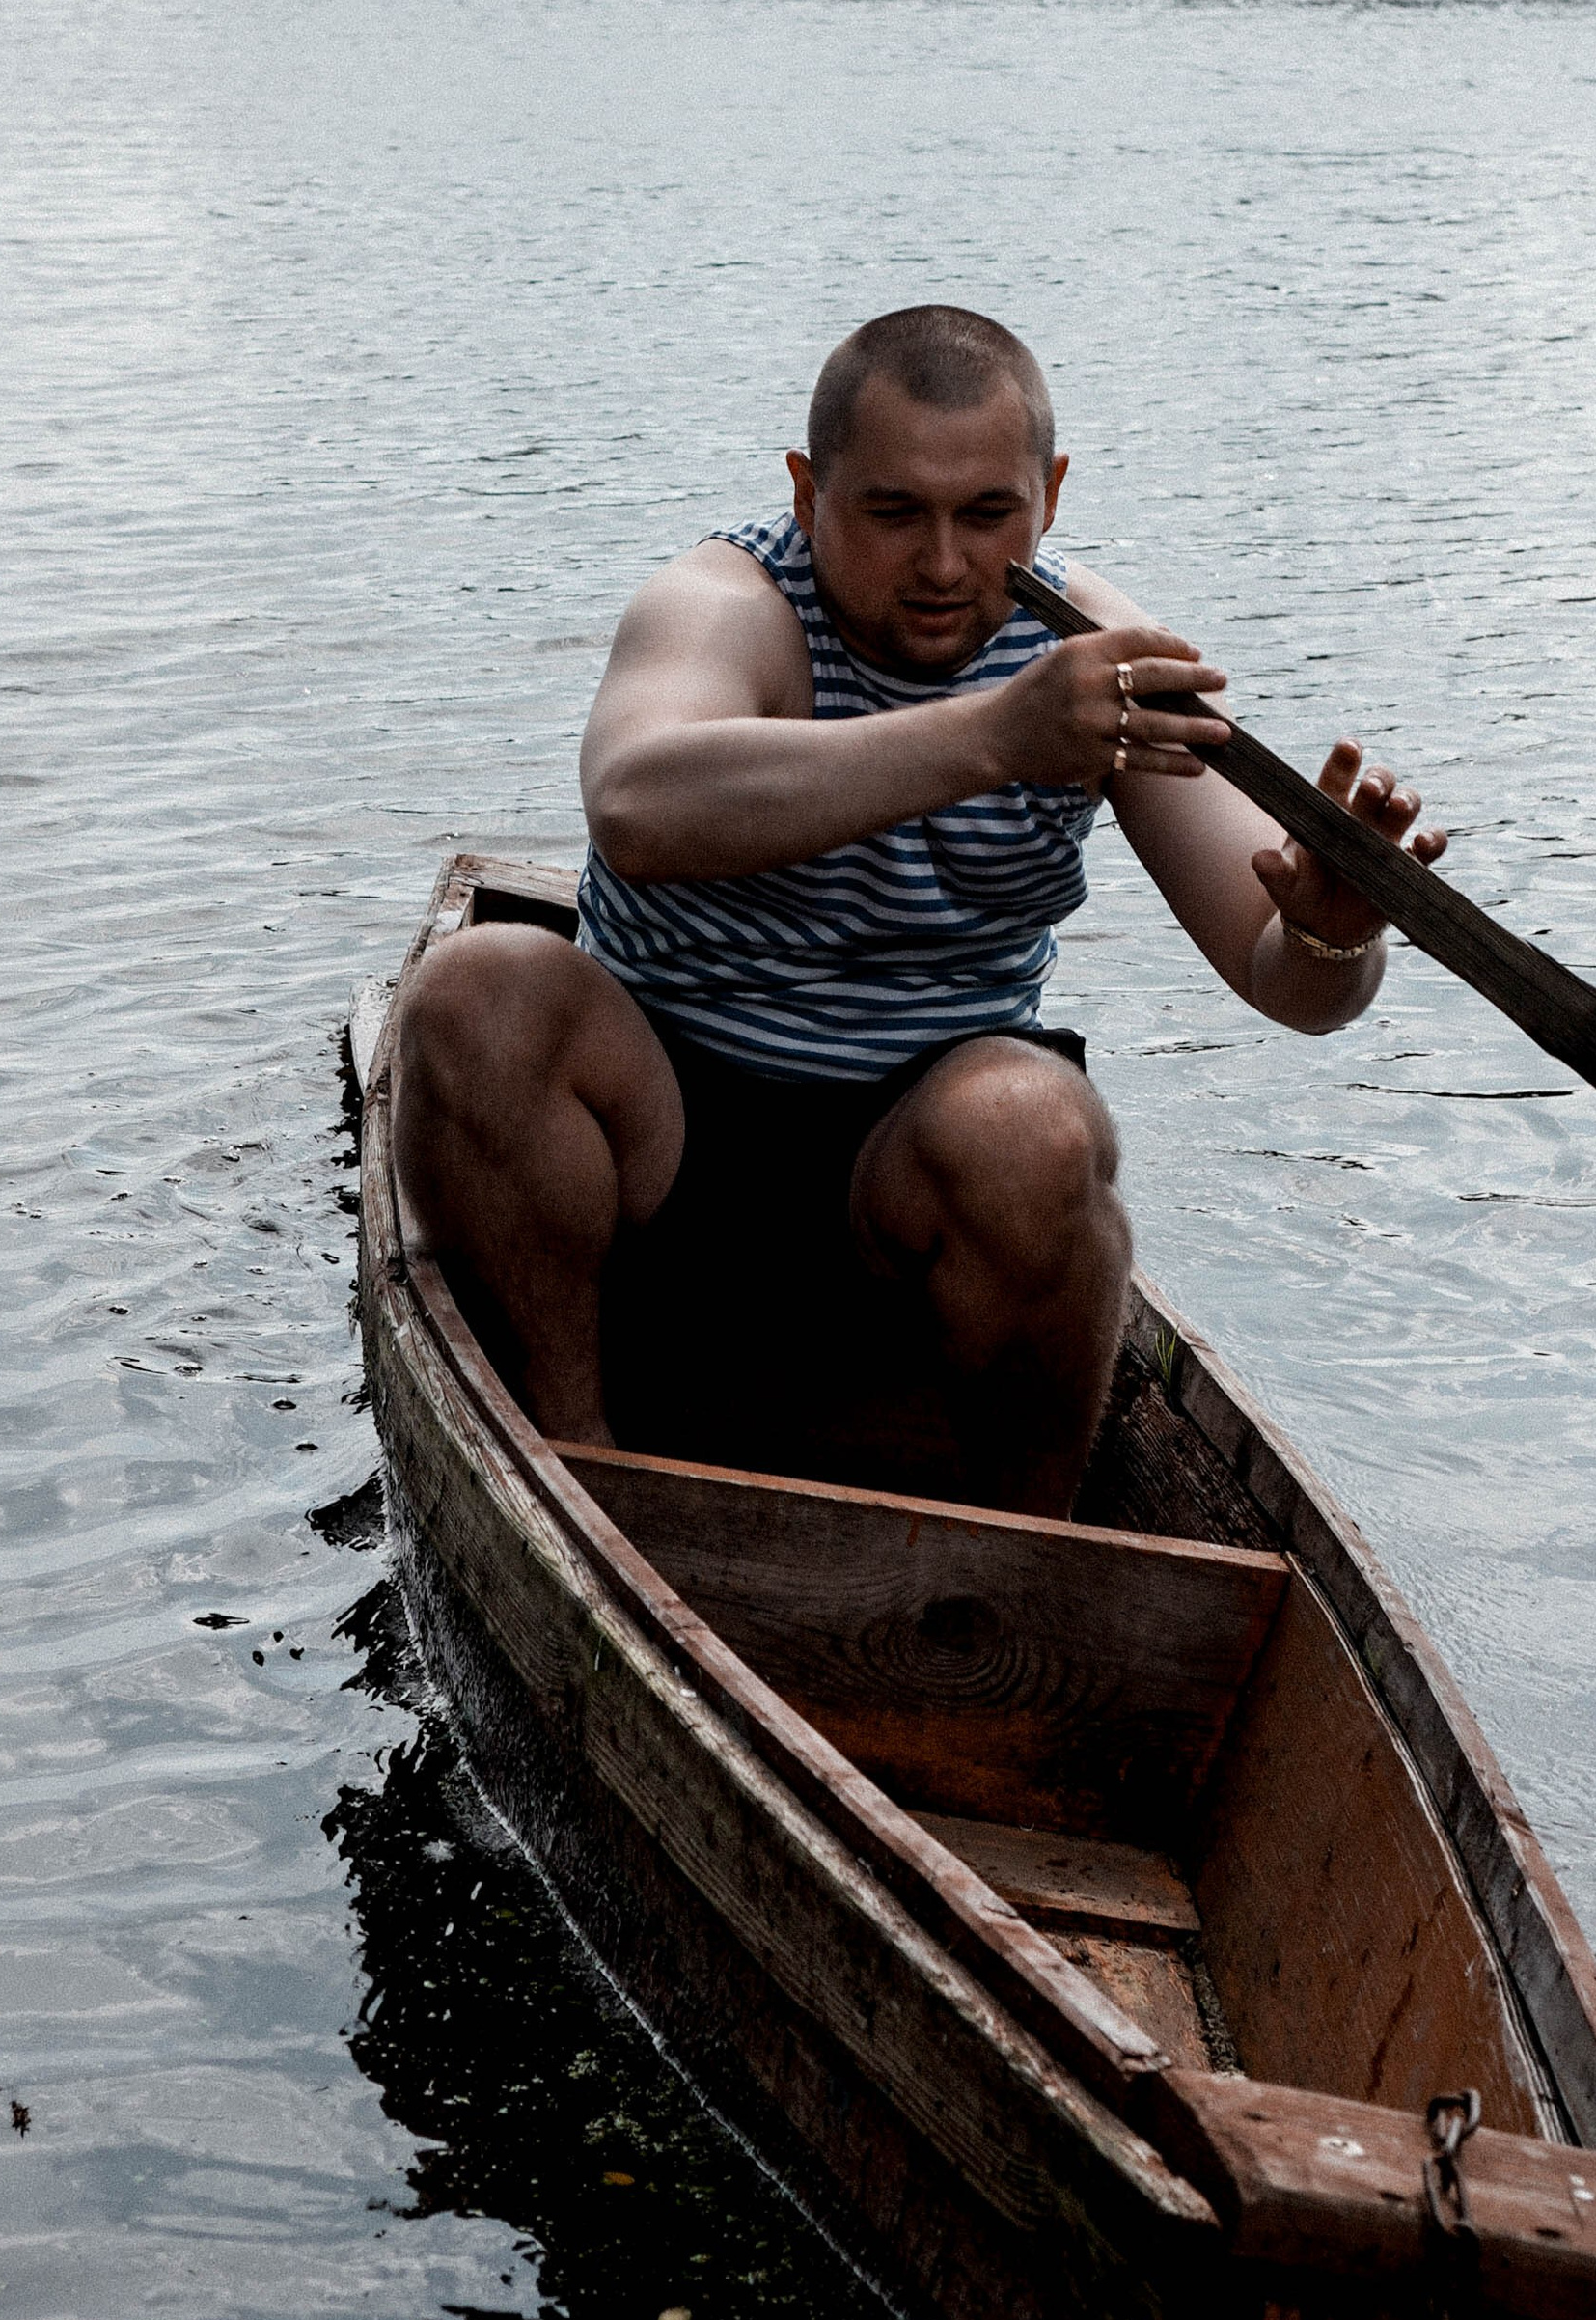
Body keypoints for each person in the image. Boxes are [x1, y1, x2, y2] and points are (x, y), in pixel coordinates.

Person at [394, 305, 1446, 1515]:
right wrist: (993, 736)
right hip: (657, 1141)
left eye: (987, 517)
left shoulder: (1102, 652)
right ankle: (579, 1471)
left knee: (1034, 1130)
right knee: (481, 995)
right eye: (892, 513)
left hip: (906, 1185)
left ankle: (1027, 1556)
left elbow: (1285, 983)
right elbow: (634, 802)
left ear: (1048, 494)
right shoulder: (729, 604)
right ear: (807, 491)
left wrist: (1334, 930)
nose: (944, 566)